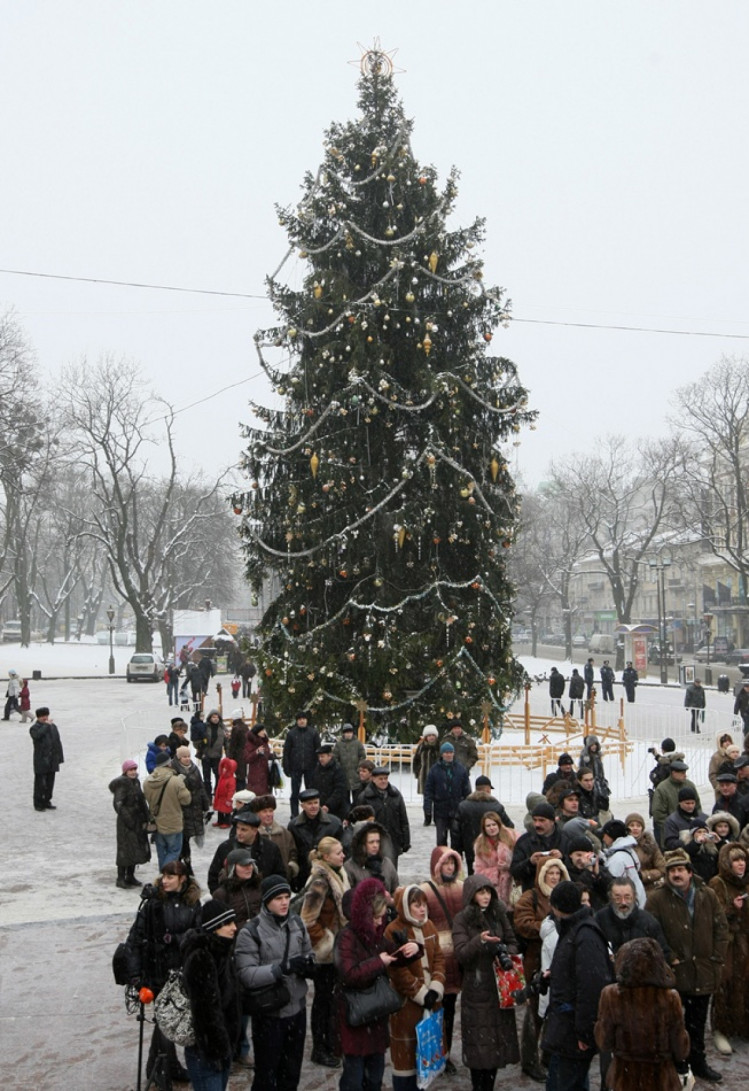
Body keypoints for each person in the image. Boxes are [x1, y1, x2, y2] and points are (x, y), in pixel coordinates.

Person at [646, 848, 729, 1083]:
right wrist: (668, 957)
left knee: (698, 1022)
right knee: (672, 1023)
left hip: (703, 971)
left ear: (690, 873)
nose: (676, 874)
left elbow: (721, 928)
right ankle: (676, 1063)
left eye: (681, 869)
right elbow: (652, 933)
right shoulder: (657, 898)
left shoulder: (707, 894)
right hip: (673, 973)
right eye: (672, 870)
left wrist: (716, 957)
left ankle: (698, 1062)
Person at [335, 877, 420, 1091]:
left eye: (381, 918)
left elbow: (393, 955)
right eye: (375, 917)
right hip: (355, 1014)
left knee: (374, 1078)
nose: (378, 922)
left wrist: (413, 950)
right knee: (354, 1079)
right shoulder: (346, 937)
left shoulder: (376, 936)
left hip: (376, 1016)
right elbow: (349, 974)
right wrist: (378, 963)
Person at [124, 859, 201, 1084]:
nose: (165, 881)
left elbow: (197, 935)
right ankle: (161, 1070)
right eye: (164, 876)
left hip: (182, 972)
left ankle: (165, 1067)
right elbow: (135, 940)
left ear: (182, 879)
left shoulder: (194, 904)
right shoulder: (153, 904)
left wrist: (175, 939)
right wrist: (136, 977)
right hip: (158, 972)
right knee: (164, 1022)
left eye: (170, 877)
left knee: (176, 1021)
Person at [234, 874, 313, 1091]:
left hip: (296, 1011)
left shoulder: (297, 923)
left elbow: (308, 952)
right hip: (269, 1013)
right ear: (267, 901)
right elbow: (247, 975)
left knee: (291, 1074)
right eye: (278, 898)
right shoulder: (250, 932)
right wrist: (281, 969)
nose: (285, 902)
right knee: (266, 1076)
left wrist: (309, 966)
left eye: (287, 896)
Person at [541, 881, 613, 1091]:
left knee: (564, 1083)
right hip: (567, 1028)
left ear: (556, 906)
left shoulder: (584, 934)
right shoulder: (576, 929)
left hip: (572, 1031)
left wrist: (585, 1033)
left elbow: (592, 986)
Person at [452, 873, 520, 1090]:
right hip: (476, 988)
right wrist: (479, 941)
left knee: (495, 1046)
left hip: (499, 987)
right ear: (472, 895)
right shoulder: (462, 919)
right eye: (481, 892)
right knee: (478, 1047)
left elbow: (512, 941)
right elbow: (461, 953)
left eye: (488, 891)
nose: (486, 896)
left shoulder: (499, 914)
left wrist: (505, 953)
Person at [594, 937, 689, 1091]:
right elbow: (680, 1049)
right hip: (660, 1080)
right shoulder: (670, 998)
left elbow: (604, 1041)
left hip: (625, 1079)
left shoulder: (611, 995)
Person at [385, 885, 446, 1091]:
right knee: (405, 1062)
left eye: (424, 904)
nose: (422, 909)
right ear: (405, 906)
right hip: (406, 1007)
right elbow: (398, 971)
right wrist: (420, 992)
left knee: (427, 1058)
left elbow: (438, 957)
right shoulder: (393, 930)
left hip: (431, 1002)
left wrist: (436, 986)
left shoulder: (429, 926)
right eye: (416, 905)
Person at [180, 899, 241, 1091]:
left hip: (220, 1047)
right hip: (207, 1051)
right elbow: (205, 1012)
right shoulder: (202, 957)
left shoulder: (221, 950)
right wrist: (217, 1051)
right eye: (228, 924)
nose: (234, 928)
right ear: (214, 927)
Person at [300, 837, 350, 1068]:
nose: (343, 855)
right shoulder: (320, 881)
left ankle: (332, 1042)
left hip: (339, 950)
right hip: (325, 955)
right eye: (338, 852)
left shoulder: (339, 873)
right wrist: (327, 943)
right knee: (323, 1001)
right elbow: (307, 920)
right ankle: (321, 1048)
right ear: (326, 857)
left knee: (332, 999)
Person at [419, 847, 464, 1075]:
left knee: (449, 1009)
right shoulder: (426, 891)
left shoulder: (461, 888)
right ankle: (432, 1051)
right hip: (436, 958)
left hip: (456, 958)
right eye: (446, 864)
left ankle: (444, 1054)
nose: (450, 868)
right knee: (433, 1009)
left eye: (453, 864)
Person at [708, 843, 749, 1055]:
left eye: (743, 859)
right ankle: (721, 1029)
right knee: (725, 983)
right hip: (729, 942)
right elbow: (713, 913)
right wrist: (732, 908)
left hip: (746, 940)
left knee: (746, 983)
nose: (740, 864)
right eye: (736, 860)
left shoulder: (747, 882)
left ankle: (743, 1025)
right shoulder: (718, 883)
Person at [207, 807, 286, 894]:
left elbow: (279, 876)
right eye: (237, 828)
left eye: (243, 829)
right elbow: (213, 877)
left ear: (255, 831)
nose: (239, 833)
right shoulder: (226, 848)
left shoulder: (270, 848)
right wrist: (222, 899)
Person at [594, 876, 670, 957]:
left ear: (634, 897)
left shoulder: (648, 922)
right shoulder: (600, 920)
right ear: (610, 898)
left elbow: (663, 954)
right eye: (617, 898)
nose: (623, 902)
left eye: (627, 897)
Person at [287, 788, 343, 890]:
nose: (313, 806)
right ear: (302, 806)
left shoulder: (334, 823)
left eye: (316, 803)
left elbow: (342, 848)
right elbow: (293, 851)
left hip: (330, 872)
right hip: (305, 874)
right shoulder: (294, 826)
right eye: (309, 803)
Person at [458, 774, 514, 875]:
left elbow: (456, 831)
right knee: (494, 873)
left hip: (470, 848)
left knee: (474, 872)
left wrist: (457, 850)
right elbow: (509, 826)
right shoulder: (496, 807)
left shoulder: (463, 807)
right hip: (493, 847)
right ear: (488, 789)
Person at [109, 758, 151, 888]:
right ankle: (121, 878)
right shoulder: (123, 784)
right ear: (125, 771)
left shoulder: (135, 782)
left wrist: (146, 816)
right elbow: (118, 804)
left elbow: (141, 801)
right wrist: (129, 820)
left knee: (134, 848)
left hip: (136, 821)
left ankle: (130, 875)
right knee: (124, 850)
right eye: (130, 770)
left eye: (134, 769)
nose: (133, 772)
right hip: (126, 823)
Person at [510, 801, 568, 892]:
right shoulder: (524, 841)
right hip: (533, 895)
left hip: (561, 893)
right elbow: (514, 872)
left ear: (552, 821)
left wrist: (562, 858)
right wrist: (530, 862)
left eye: (542, 820)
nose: (537, 824)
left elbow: (576, 868)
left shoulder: (565, 839)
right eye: (535, 820)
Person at [357, 767, 411, 864]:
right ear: (373, 779)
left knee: (391, 869)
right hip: (373, 839)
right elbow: (360, 823)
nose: (383, 781)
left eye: (385, 778)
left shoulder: (395, 795)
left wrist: (405, 840)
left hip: (392, 839)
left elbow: (403, 819)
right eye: (380, 779)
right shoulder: (364, 797)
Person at [423, 741, 471, 848]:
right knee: (441, 840)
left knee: (456, 840)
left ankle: (455, 860)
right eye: (446, 753)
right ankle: (442, 861)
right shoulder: (434, 770)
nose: (449, 755)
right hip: (441, 810)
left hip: (456, 809)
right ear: (442, 754)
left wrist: (467, 809)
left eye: (450, 752)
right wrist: (427, 809)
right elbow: (429, 791)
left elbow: (467, 790)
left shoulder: (460, 769)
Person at [172, 745, 210, 875]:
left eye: (188, 756)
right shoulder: (174, 770)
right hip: (181, 810)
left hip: (195, 808)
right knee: (181, 838)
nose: (187, 759)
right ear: (179, 758)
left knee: (186, 838)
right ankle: (181, 863)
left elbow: (201, 787)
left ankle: (186, 863)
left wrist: (206, 805)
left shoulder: (194, 769)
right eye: (184, 757)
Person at [252, 794, 300, 887]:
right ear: (257, 813)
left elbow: (293, 852)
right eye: (264, 811)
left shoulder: (284, 832)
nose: (268, 814)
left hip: (281, 881)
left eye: (270, 811)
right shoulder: (253, 834)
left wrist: (290, 868)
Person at [651, 759, 700, 848]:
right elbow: (658, 813)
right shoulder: (662, 788)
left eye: (685, 772)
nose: (685, 775)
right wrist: (671, 825)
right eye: (682, 773)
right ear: (673, 773)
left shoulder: (690, 785)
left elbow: (698, 807)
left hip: (691, 831)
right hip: (670, 833)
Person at [282, 710, 321, 818]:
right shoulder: (291, 734)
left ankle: (311, 813)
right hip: (296, 767)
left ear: (306, 720)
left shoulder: (313, 733)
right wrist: (286, 766)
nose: (302, 721)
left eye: (303, 719)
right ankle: (294, 814)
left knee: (311, 792)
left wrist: (318, 765)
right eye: (299, 719)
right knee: (295, 792)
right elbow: (286, 751)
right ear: (297, 721)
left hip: (310, 767)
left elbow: (318, 750)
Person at [600, 819, 647, 907]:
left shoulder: (618, 859)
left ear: (611, 836)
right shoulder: (629, 851)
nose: (603, 838)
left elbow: (612, 885)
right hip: (639, 897)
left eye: (605, 835)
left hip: (629, 904)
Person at [473, 811, 517, 904]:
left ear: (499, 824)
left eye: (494, 824)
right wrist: (496, 871)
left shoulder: (512, 836)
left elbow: (520, 858)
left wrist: (509, 867)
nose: (492, 828)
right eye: (488, 826)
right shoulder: (480, 844)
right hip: (493, 887)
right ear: (484, 828)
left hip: (512, 884)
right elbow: (479, 870)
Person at [344, 821, 399, 894]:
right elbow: (347, 896)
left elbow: (396, 891)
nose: (375, 845)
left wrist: (391, 901)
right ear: (362, 845)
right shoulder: (350, 866)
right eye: (371, 842)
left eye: (378, 842)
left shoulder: (387, 863)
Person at [213, 848, 263, 927]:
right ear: (232, 868)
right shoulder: (221, 894)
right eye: (243, 865)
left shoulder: (259, 887)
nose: (248, 868)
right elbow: (220, 926)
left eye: (250, 864)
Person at [29, 706, 64, 811]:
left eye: (46, 716)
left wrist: (60, 757)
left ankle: (47, 801)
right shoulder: (34, 728)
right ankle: (38, 803)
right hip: (41, 760)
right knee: (40, 783)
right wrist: (46, 726)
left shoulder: (53, 727)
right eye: (42, 716)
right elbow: (37, 736)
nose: (45, 718)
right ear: (38, 717)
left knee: (50, 783)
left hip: (52, 759)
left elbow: (57, 742)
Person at [625, 812, 665, 892]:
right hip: (627, 889)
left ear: (642, 828)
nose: (635, 828)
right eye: (632, 825)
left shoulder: (651, 845)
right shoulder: (622, 846)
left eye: (638, 826)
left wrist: (643, 875)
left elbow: (662, 869)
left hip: (648, 889)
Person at [307, 744, 350, 820]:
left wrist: (328, 805)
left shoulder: (338, 770)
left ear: (329, 756)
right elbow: (312, 786)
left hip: (336, 809)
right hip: (320, 807)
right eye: (319, 757)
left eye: (322, 756)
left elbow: (339, 791)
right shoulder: (317, 769)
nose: (320, 759)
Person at [333, 723, 366, 808]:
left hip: (356, 775)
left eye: (350, 732)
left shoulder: (357, 743)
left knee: (357, 800)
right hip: (344, 775)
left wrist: (359, 768)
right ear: (343, 733)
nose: (348, 734)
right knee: (345, 800)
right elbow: (335, 758)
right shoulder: (339, 745)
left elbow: (362, 756)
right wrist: (339, 768)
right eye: (346, 732)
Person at [194, 710, 225, 798]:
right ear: (210, 718)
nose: (215, 719)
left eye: (217, 717)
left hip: (217, 756)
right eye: (213, 717)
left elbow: (226, 741)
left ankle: (217, 793)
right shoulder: (205, 727)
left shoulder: (222, 728)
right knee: (207, 778)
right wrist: (200, 746)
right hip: (206, 756)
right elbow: (198, 739)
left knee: (218, 776)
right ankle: (208, 796)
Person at [412, 725, 440, 811]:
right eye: (429, 735)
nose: (431, 737)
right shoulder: (421, 747)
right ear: (426, 737)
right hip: (424, 776)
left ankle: (437, 817)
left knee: (437, 798)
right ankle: (427, 816)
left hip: (438, 777)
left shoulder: (439, 747)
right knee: (427, 798)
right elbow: (416, 760)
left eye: (433, 735)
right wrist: (417, 772)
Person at [244, 722, 273, 797]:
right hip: (255, 773)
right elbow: (247, 759)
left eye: (264, 730)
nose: (264, 732)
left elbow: (266, 754)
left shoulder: (264, 741)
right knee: (255, 794)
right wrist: (256, 752)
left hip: (265, 771)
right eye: (262, 730)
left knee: (264, 794)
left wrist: (272, 756)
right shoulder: (250, 743)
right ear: (257, 732)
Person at [226, 710, 250, 792]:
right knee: (242, 775)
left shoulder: (236, 728)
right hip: (244, 753)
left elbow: (233, 744)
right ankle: (243, 791)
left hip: (238, 754)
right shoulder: (245, 727)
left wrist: (229, 756)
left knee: (239, 775)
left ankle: (240, 792)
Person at [212, 756, 237, 828]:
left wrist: (229, 799)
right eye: (223, 768)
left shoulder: (231, 779)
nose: (223, 770)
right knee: (220, 810)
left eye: (225, 768)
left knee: (227, 811)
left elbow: (231, 790)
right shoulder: (222, 777)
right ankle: (220, 821)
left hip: (226, 798)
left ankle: (227, 822)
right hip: (220, 797)